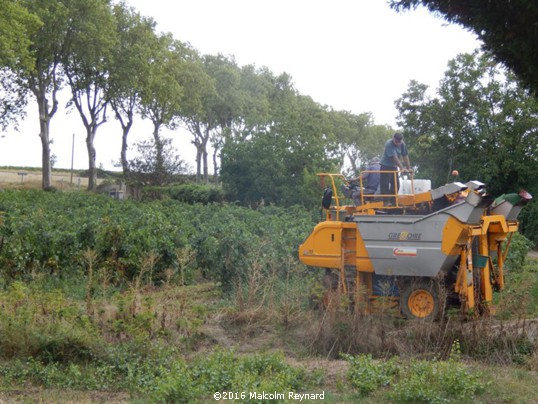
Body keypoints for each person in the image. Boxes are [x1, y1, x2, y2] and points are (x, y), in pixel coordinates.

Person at [380, 133, 411, 205]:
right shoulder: (389, 144)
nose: (397, 144)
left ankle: (393, 201)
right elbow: (395, 158)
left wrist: (408, 168)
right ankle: (386, 201)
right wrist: (402, 168)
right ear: (393, 139)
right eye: (396, 142)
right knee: (385, 184)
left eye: (399, 142)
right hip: (385, 166)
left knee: (396, 184)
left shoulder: (402, 144)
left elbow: (405, 156)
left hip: (394, 167)